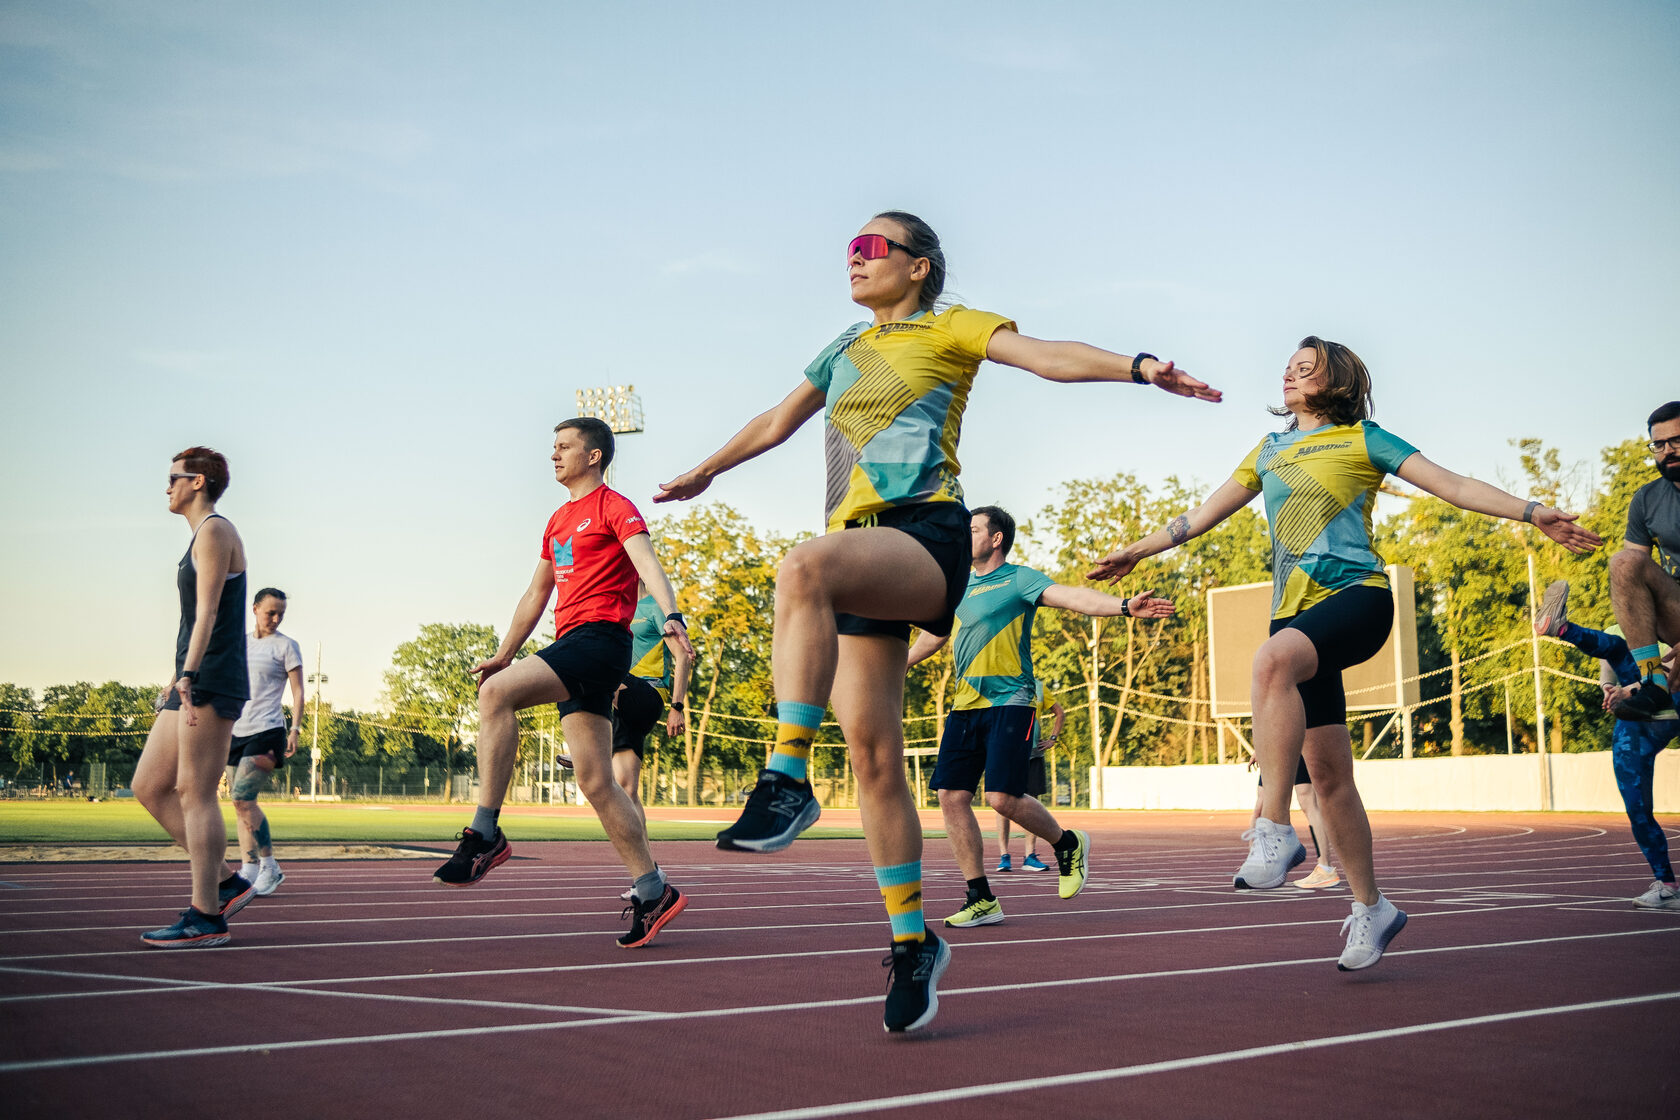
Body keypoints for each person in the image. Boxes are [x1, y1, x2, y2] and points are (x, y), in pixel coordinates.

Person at [655, 211, 1220, 1030]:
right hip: (860, 559)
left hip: (924, 535)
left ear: (919, 267)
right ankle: (914, 942)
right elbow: (779, 420)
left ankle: (784, 779)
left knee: (800, 567)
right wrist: (706, 469)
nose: (855, 259)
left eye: (873, 248)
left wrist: (1140, 369)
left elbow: (1049, 358)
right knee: (877, 757)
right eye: (850, 249)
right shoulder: (843, 348)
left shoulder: (953, 326)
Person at [1090, 335, 1602, 970]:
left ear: (1333, 381)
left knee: (1269, 661)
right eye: (1287, 367)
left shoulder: (1366, 438)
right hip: (1296, 611)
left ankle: (1273, 828)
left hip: (1356, 599)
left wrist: (1532, 512)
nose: (1289, 375)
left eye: (1305, 369)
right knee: (1330, 778)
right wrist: (1138, 550)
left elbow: (1451, 484)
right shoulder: (1270, 449)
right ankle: (1373, 908)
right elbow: (1200, 516)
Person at [431, 418, 696, 950]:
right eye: (552, 446)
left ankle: (485, 832)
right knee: (598, 782)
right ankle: (654, 890)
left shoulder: (614, 507)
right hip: (576, 646)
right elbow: (536, 594)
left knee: (495, 697)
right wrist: (504, 653)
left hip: (599, 641)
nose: (554, 454)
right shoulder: (556, 520)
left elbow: (649, 563)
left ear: (594, 456)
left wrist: (672, 616)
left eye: (565, 446)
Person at [908, 505, 1174, 928]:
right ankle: (980, 897)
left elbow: (1072, 597)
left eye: (972, 528)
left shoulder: (1019, 579)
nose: (964, 534)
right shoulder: (956, 586)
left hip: (1011, 700)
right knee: (950, 796)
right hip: (965, 703)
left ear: (996, 538)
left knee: (1001, 797)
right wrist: (903, 662)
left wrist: (1123, 606)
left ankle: (1067, 844)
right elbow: (936, 634)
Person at [132, 447, 256, 947]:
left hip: (211, 677)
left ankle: (206, 915)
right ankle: (225, 881)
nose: (167, 487)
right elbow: (194, 622)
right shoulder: (198, 538)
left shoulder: (215, 531)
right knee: (149, 785)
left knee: (194, 792)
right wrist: (176, 674)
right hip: (190, 676)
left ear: (197, 481)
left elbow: (207, 614)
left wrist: (188, 672)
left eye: (173, 478)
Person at [1535, 581, 1679, 909]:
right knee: (1636, 806)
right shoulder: (1619, 627)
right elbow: (1609, 667)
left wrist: (1631, 690)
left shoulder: (1669, 621)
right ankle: (1667, 885)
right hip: (1641, 716)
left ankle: (1562, 629)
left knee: (1616, 648)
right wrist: (1608, 689)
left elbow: (1671, 667)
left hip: (1667, 696)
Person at [227, 587, 304, 896]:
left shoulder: (286, 646)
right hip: (236, 731)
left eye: (280, 614)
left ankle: (270, 867)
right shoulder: (239, 644)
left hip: (268, 730)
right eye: (270, 612)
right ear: (255, 608)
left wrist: (295, 728)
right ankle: (247, 870)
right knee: (240, 805)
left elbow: (299, 691)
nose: (275, 618)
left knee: (243, 799)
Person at [1608, 401, 1680, 721]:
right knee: (1624, 563)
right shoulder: (1646, 499)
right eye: (1659, 444)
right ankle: (1654, 683)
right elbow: (1632, 586)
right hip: (1674, 613)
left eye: (1677, 440)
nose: (1668, 450)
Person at [998, 681, 1064, 873]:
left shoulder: (1039, 687)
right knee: (1002, 803)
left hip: (1033, 753)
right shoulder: (1003, 682)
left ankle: (1030, 856)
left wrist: (1052, 739)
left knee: (1031, 803)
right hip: (1007, 752)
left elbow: (1059, 713)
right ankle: (1004, 856)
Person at [1251, 756, 1339, 890]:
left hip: (1297, 745)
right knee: (1261, 806)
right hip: (1274, 749)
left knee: (1307, 800)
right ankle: (1257, 865)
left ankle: (1325, 868)